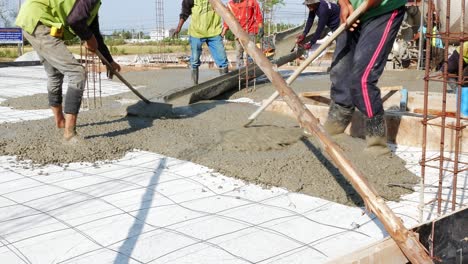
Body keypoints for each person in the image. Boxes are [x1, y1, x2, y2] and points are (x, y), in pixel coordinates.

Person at [15, 0, 120, 142]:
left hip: (32, 19)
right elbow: (75, 20)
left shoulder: (94, 4)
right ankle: (69, 134)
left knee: (54, 74)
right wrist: (87, 37)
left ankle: (60, 122)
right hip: (40, 21)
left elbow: (94, 33)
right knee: (77, 73)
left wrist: (109, 61)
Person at [323, 0, 406, 155]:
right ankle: (335, 126)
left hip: (382, 10)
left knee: (362, 79)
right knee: (340, 72)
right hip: (352, 12)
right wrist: (343, 3)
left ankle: (377, 143)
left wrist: (367, 4)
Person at [173, 0, 230, 85]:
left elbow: (224, 10)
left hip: (214, 32)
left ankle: (226, 84)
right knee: (194, 61)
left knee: (222, 60)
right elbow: (184, 13)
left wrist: (225, 28)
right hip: (197, 33)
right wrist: (178, 28)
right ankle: (194, 86)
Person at [221, 0, 264, 68]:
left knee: (251, 52)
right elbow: (227, 19)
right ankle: (240, 70)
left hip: (250, 30)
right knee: (239, 52)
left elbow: (258, 15)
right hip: (238, 32)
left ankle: (251, 69)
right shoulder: (230, 5)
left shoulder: (251, 2)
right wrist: (223, 32)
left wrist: (260, 27)